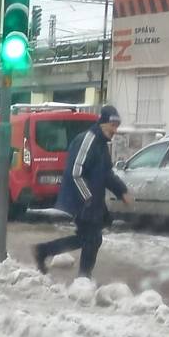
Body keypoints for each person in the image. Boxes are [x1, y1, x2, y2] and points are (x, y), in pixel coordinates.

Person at [33, 105, 133, 279]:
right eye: (113, 125)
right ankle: (83, 277)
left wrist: (121, 191)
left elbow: (106, 174)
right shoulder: (88, 141)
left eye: (117, 126)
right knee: (92, 238)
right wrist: (88, 198)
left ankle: (45, 251)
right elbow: (76, 173)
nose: (115, 130)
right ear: (102, 123)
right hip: (81, 200)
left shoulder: (101, 145)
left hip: (91, 202)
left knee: (88, 238)